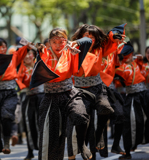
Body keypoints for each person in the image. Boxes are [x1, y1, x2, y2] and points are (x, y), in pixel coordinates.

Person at [67, 24, 126, 160]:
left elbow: (111, 41)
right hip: (79, 90)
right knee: (82, 119)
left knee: (106, 108)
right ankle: (82, 146)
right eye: (86, 36)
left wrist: (114, 36)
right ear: (80, 37)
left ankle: (100, 135)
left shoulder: (100, 48)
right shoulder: (74, 48)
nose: (89, 39)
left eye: (92, 37)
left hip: (98, 87)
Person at [33, 28, 93, 160]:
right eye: (54, 42)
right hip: (51, 97)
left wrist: (73, 44)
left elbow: (88, 41)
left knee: (81, 116)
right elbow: (38, 59)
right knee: (53, 137)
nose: (58, 45)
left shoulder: (70, 51)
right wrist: (39, 50)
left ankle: (82, 145)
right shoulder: (45, 53)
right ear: (49, 42)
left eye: (61, 41)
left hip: (69, 94)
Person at [0, 37, 29, 160]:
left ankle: (6, 142)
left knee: (6, 115)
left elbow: (24, 49)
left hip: (10, 93)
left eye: (3, 46)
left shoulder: (13, 57)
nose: (2, 49)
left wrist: (26, 43)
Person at [115, 43, 149, 159]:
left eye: (129, 55)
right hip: (132, 97)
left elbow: (144, 62)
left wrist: (140, 58)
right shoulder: (121, 67)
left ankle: (140, 141)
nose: (128, 57)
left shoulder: (138, 63)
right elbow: (118, 73)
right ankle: (128, 150)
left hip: (144, 95)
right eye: (125, 56)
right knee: (129, 123)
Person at [17, 49, 44, 160]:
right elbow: (19, 81)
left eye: (29, 53)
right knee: (29, 123)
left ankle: (43, 149)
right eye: (25, 54)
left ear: (34, 55)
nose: (27, 56)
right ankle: (30, 151)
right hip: (28, 97)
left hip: (41, 97)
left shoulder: (39, 64)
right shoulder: (21, 68)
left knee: (41, 123)